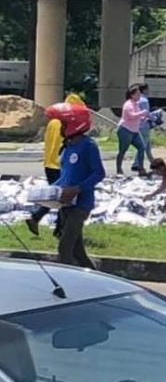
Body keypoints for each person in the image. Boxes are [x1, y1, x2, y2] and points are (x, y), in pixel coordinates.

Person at [53, 104, 105, 269]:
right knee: (78, 251)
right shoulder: (68, 146)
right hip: (66, 204)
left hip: (81, 205)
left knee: (65, 247)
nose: (60, 128)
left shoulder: (88, 146)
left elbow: (99, 173)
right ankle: (96, 279)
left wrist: (78, 189)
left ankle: (68, 281)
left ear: (74, 124)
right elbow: (65, 175)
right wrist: (50, 190)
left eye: (63, 124)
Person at [25, 103, 65, 237]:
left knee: (57, 195)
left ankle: (38, 218)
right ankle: (59, 228)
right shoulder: (62, 125)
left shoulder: (52, 123)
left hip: (49, 163)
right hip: (57, 164)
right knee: (62, 197)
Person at [116, 85, 148, 176]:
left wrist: (143, 117)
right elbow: (131, 115)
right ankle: (119, 169)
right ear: (132, 95)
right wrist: (142, 113)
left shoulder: (136, 104)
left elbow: (136, 116)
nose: (139, 96)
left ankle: (141, 168)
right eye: (137, 94)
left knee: (141, 147)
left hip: (135, 131)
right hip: (125, 130)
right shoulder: (128, 104)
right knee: (123, 150)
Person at [135, 83, 155, 171]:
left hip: (137, 124)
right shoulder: (144, 100)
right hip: (144, 125)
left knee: (147, 146)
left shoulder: (136, 100)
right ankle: (136, 163)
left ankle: (154, 163)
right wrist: (155, 117)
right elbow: (146, 113)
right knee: (143, 145)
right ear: (145, 90)